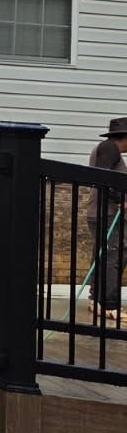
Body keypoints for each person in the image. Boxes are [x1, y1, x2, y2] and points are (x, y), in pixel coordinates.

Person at [87, 117, 127, 317]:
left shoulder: (107, 149)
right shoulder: (109, 148)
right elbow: (103, 178)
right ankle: (110, 306)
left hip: (102, 212)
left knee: (102, 254)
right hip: (107, 213)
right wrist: (120, 198)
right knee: (114, 255)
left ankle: (96, 300)